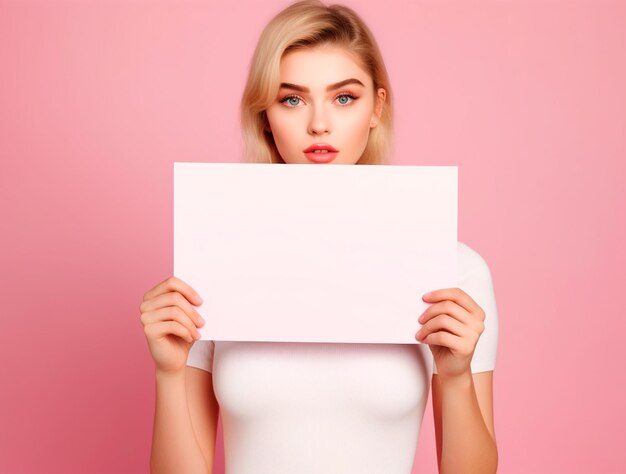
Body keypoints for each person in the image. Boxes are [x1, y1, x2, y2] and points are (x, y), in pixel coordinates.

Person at [139, 1, 499, 472]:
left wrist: (455, 379)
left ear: (377, 108)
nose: (319, 124)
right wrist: (168, 374)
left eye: (344, 97)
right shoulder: (213, 262)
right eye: (292, 99)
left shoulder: (455, 271)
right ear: (265, 114)